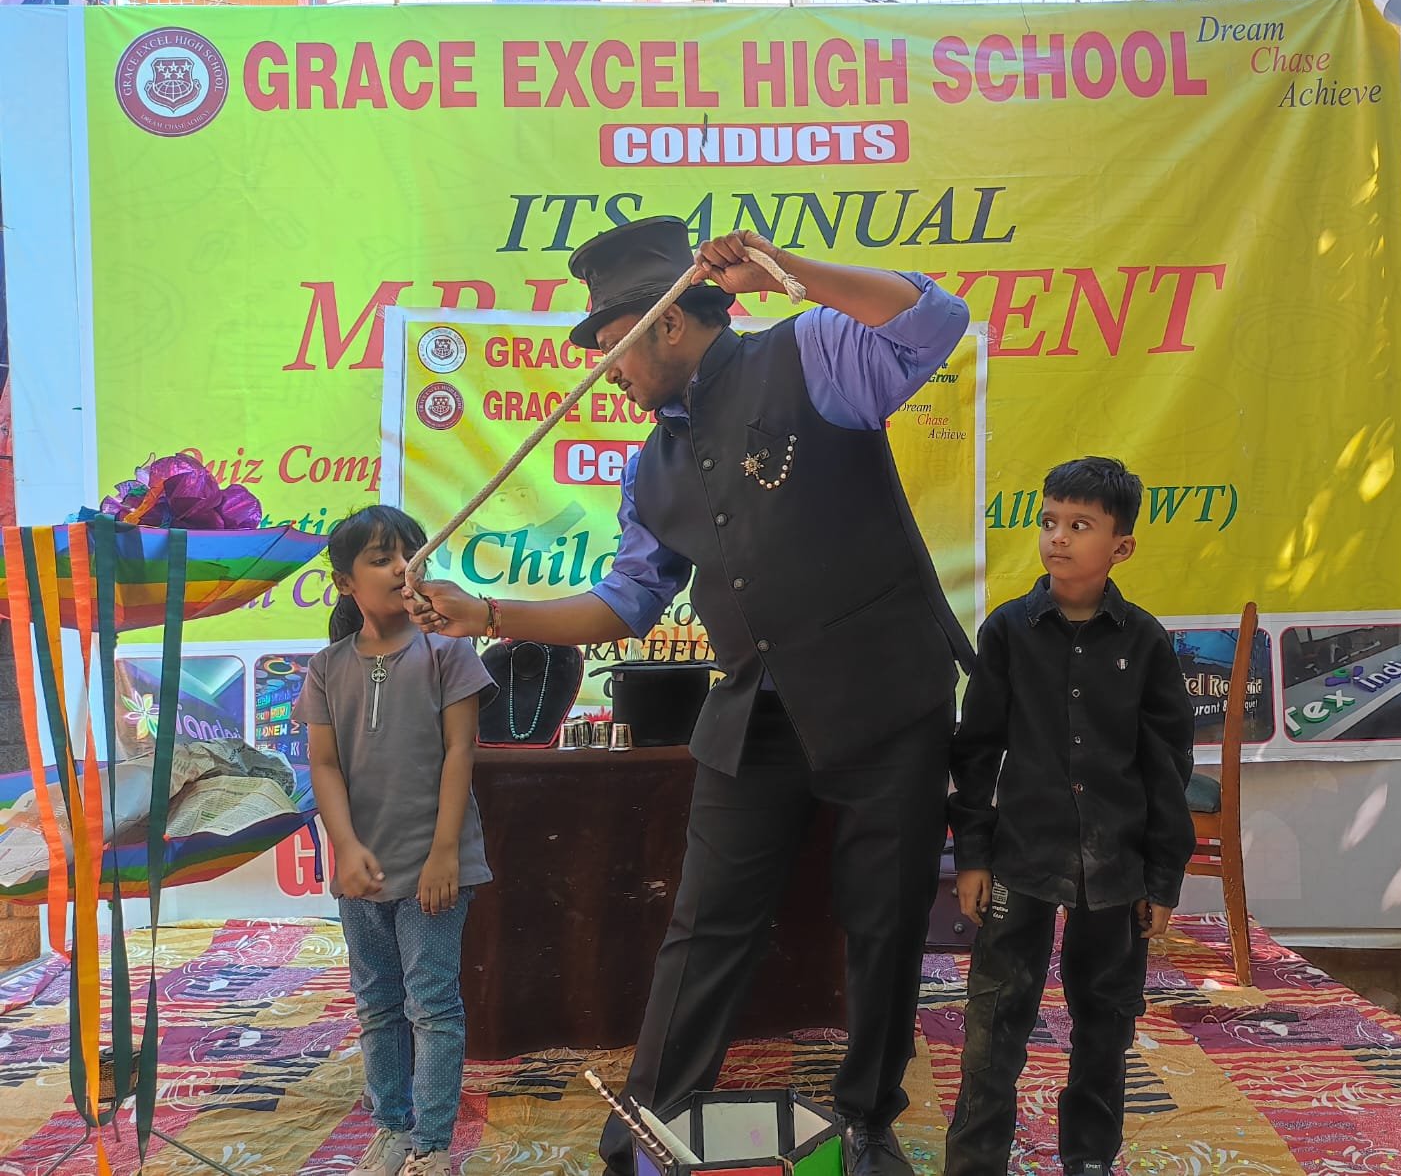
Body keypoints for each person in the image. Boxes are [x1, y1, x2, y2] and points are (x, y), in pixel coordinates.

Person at [405, 216, 974, 1176]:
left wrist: (788, 268)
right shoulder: (650, 466)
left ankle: (868, 1122)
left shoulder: (809, 354)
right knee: (705, 924)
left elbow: (936, 319)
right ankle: (650, 1128)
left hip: (885, 697)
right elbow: (625, 602)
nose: (605, 371)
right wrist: (491, 611)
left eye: (611, 343)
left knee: (883, 921)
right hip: (756, 714)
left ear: (667, 322)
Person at [942, 458, 1196, 1176]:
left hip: (1116, 870)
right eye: (1050, 521)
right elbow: (976, 750)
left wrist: (1162, 877)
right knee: (995, 1021)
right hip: (1021, 860)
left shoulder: (1144, 642)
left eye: (1080, 525)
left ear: (1121, 547)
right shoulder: (1007, 631)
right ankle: (976, 1162)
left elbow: (1166, 767)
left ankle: (1088, 1158)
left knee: (1105, 1024)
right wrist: (972, 855)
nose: (1058, 537)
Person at [296, 505, 496, 1176]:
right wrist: (345, 848)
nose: (402, 568)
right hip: (363, 872)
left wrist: (445, 852)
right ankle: (391, 1129)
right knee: (378, 1006)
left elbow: (460, 753)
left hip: (435, 869)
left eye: (412, 554)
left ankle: (431, 1147)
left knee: (432, 1006)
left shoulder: (448, 652)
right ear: (344, 582)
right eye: (382, 558)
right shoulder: (327, 668)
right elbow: (324, 766)